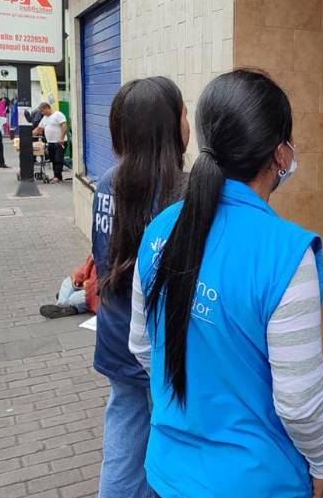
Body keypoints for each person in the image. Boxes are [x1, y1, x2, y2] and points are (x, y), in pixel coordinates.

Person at [130, 69, 323, 498]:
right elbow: (299, 403)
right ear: (280, 154)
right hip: (258, 482)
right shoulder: (286, 254)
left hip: (168, 474)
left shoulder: (159, 230)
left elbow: (142, 346)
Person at [93, 77, 189, 498]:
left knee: (123, 440)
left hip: (115, 341)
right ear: (169, 129)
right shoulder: (180, 195)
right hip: (160, 352)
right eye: (184, 114)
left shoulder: (105, 185)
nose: (190, 122)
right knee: (170, 449)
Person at [33, 102, 67, 182]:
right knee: (52, 159)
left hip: (59, 142)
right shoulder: (44, 118)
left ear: (47, 108)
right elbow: (39, 129)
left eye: (42, 111)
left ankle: (57, 177)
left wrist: (61, 138)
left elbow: (64, 125)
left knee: (58, 159)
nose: (42, 113)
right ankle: (56, 176)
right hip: (50, 142)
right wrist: (28, 134)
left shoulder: (57, 114)